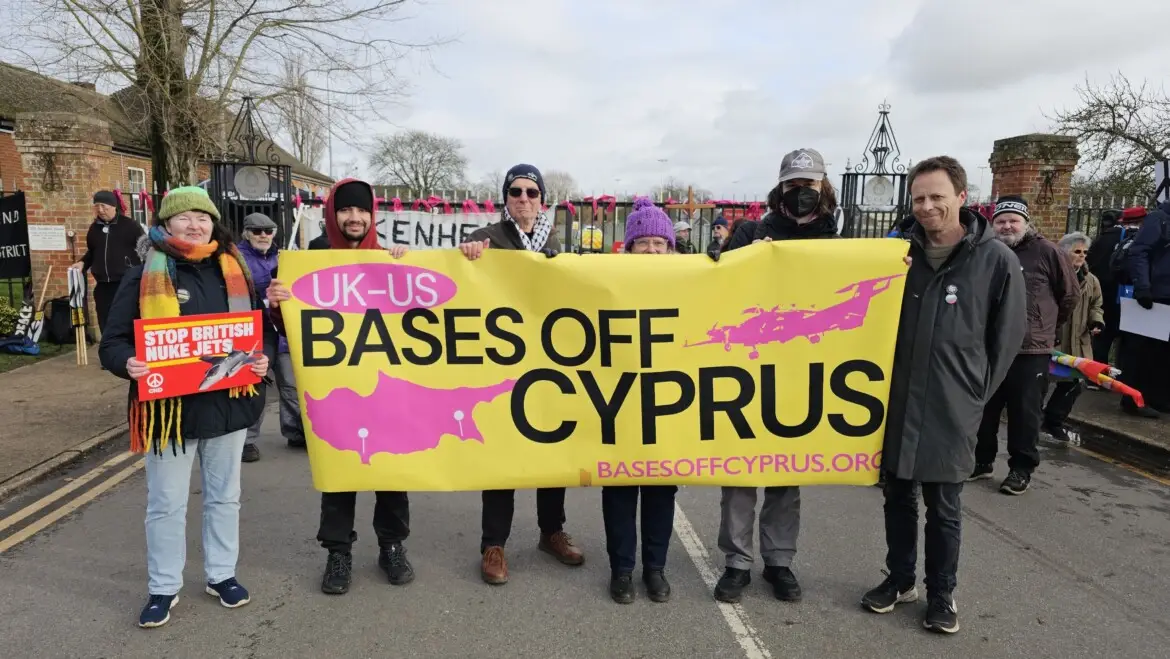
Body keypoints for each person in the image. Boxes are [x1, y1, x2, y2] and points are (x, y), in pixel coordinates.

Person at [863, 156, 1026, 635]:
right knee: (897, 495)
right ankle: (899, 580)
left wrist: (975, 393)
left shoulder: (996, 260)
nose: (927, 206)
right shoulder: (897, 254)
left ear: (961, 196)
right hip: (898, 398)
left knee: (945, 506)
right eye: (919, 198)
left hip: (953, 404)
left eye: (937, 196)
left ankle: (942, 593)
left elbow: (1006, 338)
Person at [97, 186, 270, 629]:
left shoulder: (235, 271)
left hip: (227, 406)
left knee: (225, 498)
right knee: (166, 504)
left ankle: (221, 575)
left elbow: (256, 333)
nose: (195, 225)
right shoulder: (143, 274)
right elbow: (113, 342)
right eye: (185, 217)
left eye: (203, 217)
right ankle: (163, 586)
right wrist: (126, 363)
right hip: (169, 412)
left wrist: (261, 359)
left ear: (214, 224)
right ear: (166, 223)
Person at [267, 178, 415, 595]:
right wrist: (278, 306)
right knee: (338, 474)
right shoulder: (309, 260)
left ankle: (392, 546)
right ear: (333, 214)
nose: (354, 218)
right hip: (336, 390)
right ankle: (338, 552)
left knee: (391, 471)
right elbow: (295, 330)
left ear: (372, 215)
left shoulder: (388, 258)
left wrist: (404, 267)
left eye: (362, 210)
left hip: (385, 386)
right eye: (346, 210)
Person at [711, 148, 840, 604]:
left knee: (787, 472)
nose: (801, 192)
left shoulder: (836, 241)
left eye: (809, 184)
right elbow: (717, 287)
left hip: (801, 368)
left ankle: (779, 560)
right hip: (749, 365)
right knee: (740, 471)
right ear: (780, 187)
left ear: (823, 186)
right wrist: (733, 258)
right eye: (793, 184)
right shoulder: (751, 232)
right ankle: (737, 562)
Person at [456, 163, 584, 585]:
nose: (524, 199)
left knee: (552, 449)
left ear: (542, 200)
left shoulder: (555, 242)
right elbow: (460, 281)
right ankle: (493, 544)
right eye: (516, 191)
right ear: (506, 198)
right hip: (502, 364)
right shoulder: (487, 238)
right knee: (503, 456)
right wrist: (467, 256)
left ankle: (551, 531)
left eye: (532, 192)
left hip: (548, 361)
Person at [603, 197, 684, 605]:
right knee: (619, 490)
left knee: (660, 491)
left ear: (670, 248)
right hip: (618, 399)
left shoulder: (689, 281)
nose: (652, 250)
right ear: (629, 246)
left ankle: (655, 568)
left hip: (665, 400)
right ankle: (621, 570)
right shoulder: (608, 281)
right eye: (643, 243)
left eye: (659, 243)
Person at [972, 196, 1078, 495]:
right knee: (984, 408)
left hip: (1030, 349)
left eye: (1013, 221)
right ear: (993, 224)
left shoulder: (1048, 252)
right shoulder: (985, 251)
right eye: (1001, 221)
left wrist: (1046, 326)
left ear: (1026, 223)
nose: (1007, 226)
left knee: (1025, 412)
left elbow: (1069, 295)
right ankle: (981, 461)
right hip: (990, 346)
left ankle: (1021, 468)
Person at [236, 212, 306, 462]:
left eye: (268, 231)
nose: (263, 235)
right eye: (257, 231)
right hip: (256, 332)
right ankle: (247, 441)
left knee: (291, 384)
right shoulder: (235, 258)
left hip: (284, 332)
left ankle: (295, 431)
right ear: (246, 233)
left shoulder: (285, 257)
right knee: (255, 386)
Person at [1042, 232, 1104, 442]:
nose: (1082, 256)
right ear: (1063, 252)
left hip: (1078, 341)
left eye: (1085, 252)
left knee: (1074, 384)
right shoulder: (1051, 275)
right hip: (1053, 338)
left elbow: (1096, 305)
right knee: (1040, 382)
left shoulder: (1091, 280)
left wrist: (1096, 322)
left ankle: (1054, 421)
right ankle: (1032, 421)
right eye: (1077, 251)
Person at [1119, 200, 1170, 415]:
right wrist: (1143, 286)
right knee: (1142, 353)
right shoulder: (1159, 219)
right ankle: (1134, 400)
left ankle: (1159, 398)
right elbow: (1139, 251)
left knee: (1163, 354)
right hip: (1156, 295)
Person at [71, 190, 145, 335]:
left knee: (128, 321)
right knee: (106, 322)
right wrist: (82, 263)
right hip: (103, 286)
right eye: (96, 206)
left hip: (126, 283)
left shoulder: (130, 226)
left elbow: (146, 250)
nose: (100, 210)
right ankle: (108, 347)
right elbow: (93, 252)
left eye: (103, 206)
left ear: (113, 206)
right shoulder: (94, 228)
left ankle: (131, 348)